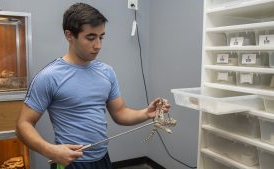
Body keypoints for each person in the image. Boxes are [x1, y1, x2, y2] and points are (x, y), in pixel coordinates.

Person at [16, 3, 170, 169]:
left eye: (101, 37)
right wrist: (50, 150)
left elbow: (120, 113)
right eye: (90, 37)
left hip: (102, 158)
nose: (98, 45)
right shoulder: (49, 76)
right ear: (69, 35)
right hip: (71, 163)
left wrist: (147, 113)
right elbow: (23, 124)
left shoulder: (107, 72)